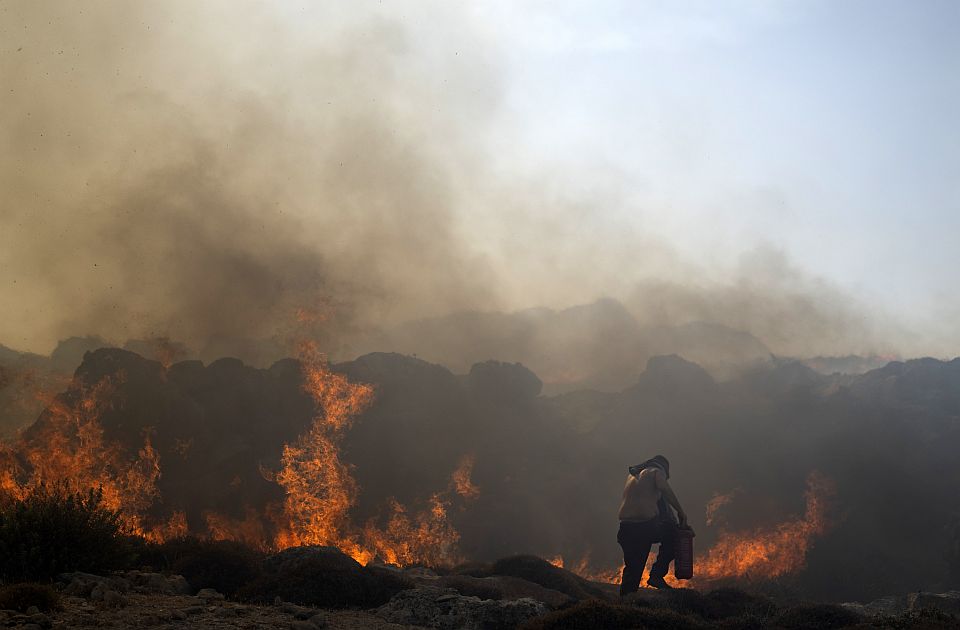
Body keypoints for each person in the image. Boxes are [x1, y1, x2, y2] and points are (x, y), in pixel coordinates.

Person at [616, 455, 693, 593]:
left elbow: (657, 506)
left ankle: (626, 601)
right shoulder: (656, 471)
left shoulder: (633, 476)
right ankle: (656, 575)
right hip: (644, 528)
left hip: (625, 529)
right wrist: (681, 512)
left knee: (632, 569)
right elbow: (665, 489)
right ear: (663, 468)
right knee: (675, 535)